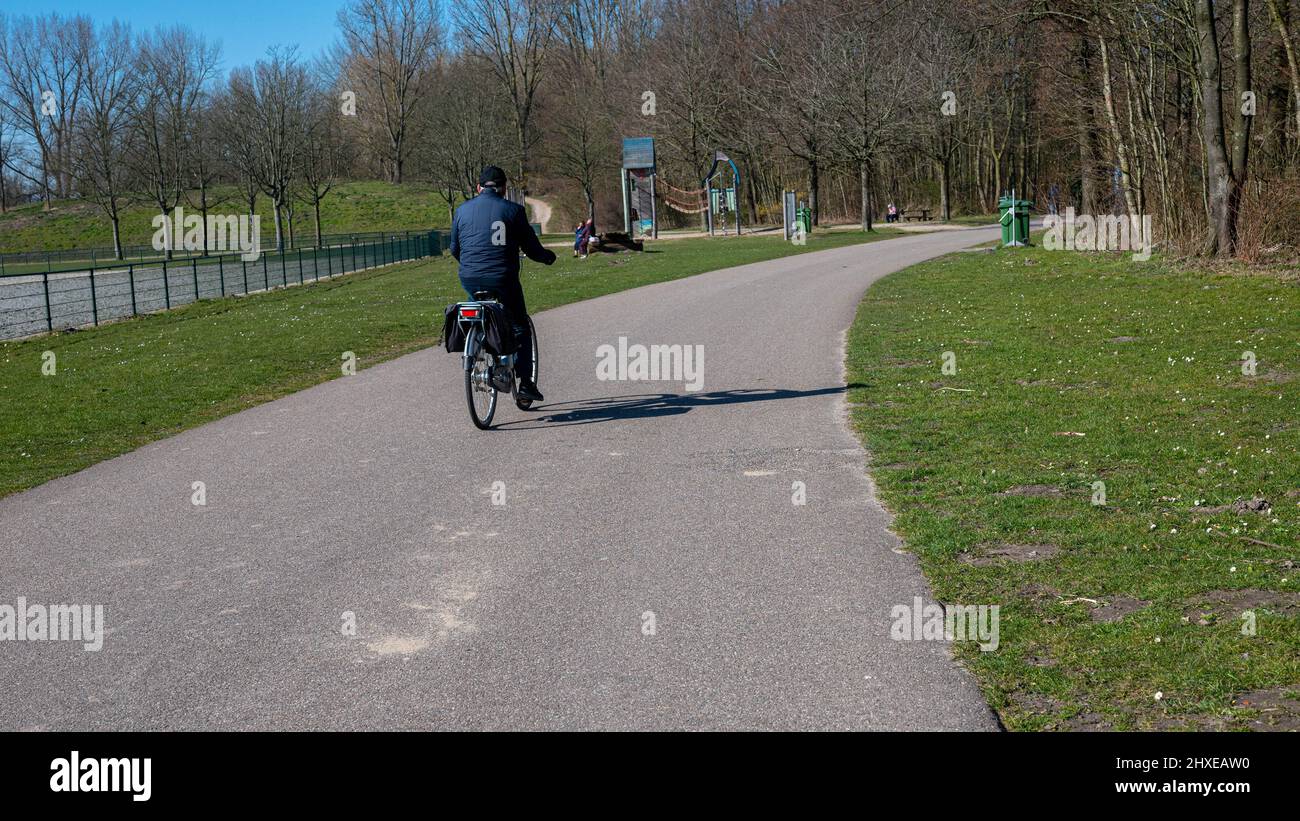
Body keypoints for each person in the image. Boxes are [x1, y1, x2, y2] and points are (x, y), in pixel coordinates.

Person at [450, 165, 556, 402]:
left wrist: (470, 265)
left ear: (478, 188)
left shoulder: (462, 210)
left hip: (469, 276)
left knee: (476, 310)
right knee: (519, 325)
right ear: (504, 188)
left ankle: (479, 341)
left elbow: (455, 249)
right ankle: (526, 382)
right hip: (503, 278)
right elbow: (531, 248)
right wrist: (547, 257)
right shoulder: (513, 211)